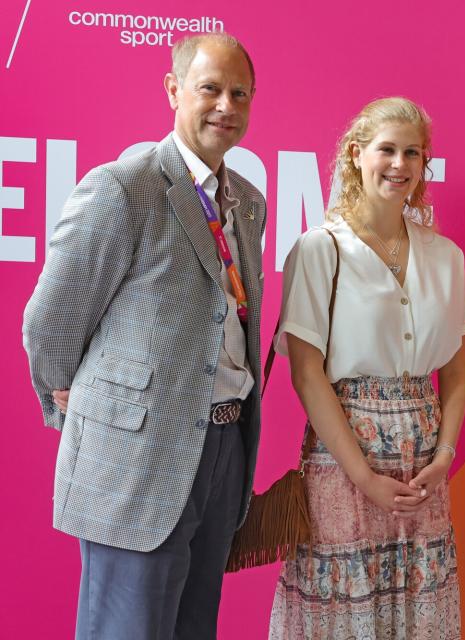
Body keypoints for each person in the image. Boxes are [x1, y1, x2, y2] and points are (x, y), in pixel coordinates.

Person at [21, 33, 265, 639]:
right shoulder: (123, 188)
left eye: (240, 93)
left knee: (192, 626)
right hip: (137, 452)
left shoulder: (249, 204)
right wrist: (75, 407)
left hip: (224, 444)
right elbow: (50, 321)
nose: (225, 106)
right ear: (174, 90)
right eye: (211, 88)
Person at [269, 97, 465, 640]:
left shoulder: (446, 256)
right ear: (357, 155)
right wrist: (363, 476)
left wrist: (445, 454)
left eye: (413, 153)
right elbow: (306, 374)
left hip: (423, 463)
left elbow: (454, 373)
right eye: (387, 149)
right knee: (344, 612)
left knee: (415, 609)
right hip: (344, 461)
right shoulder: (319, 248)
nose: (399, 164)